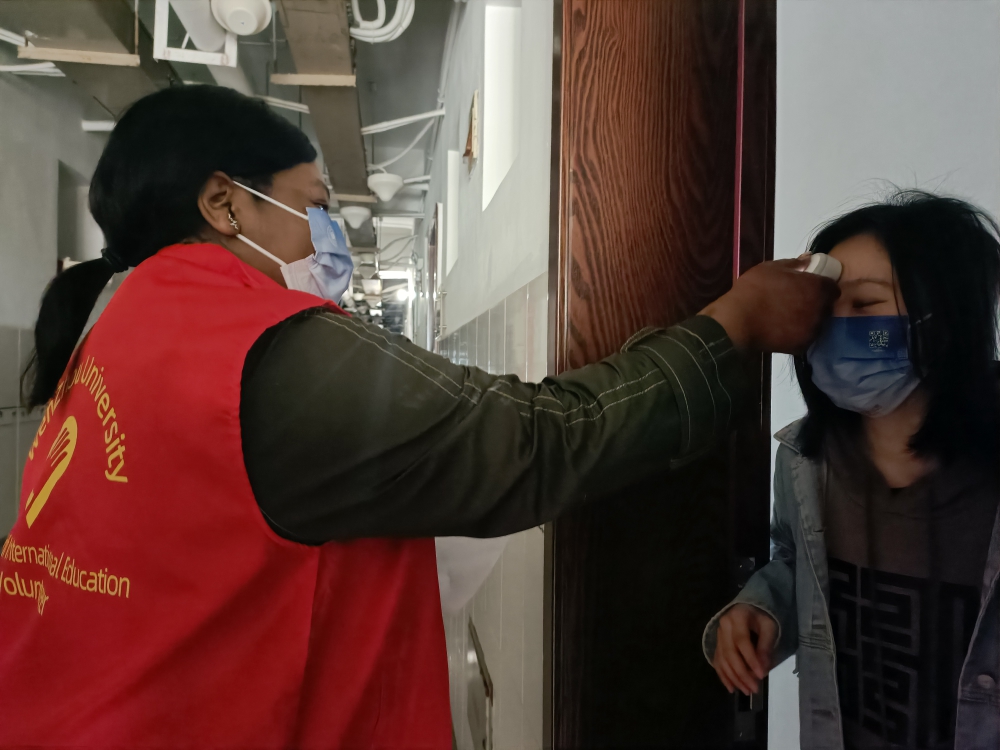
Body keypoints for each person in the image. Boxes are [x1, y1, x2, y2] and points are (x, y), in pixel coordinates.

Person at [0, 85, 835, 749]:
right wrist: (734, 326)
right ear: (226, 202)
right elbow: (542, 441)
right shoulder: (256, 347)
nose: (327, 237)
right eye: (313, 207)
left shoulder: (119, 329)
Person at [704, 192, 1000, 750]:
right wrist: (761, 606)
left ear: (944, 317)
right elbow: (799, 561)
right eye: (825, 308)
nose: (836, 326)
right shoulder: (804, 459)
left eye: (865, 305)